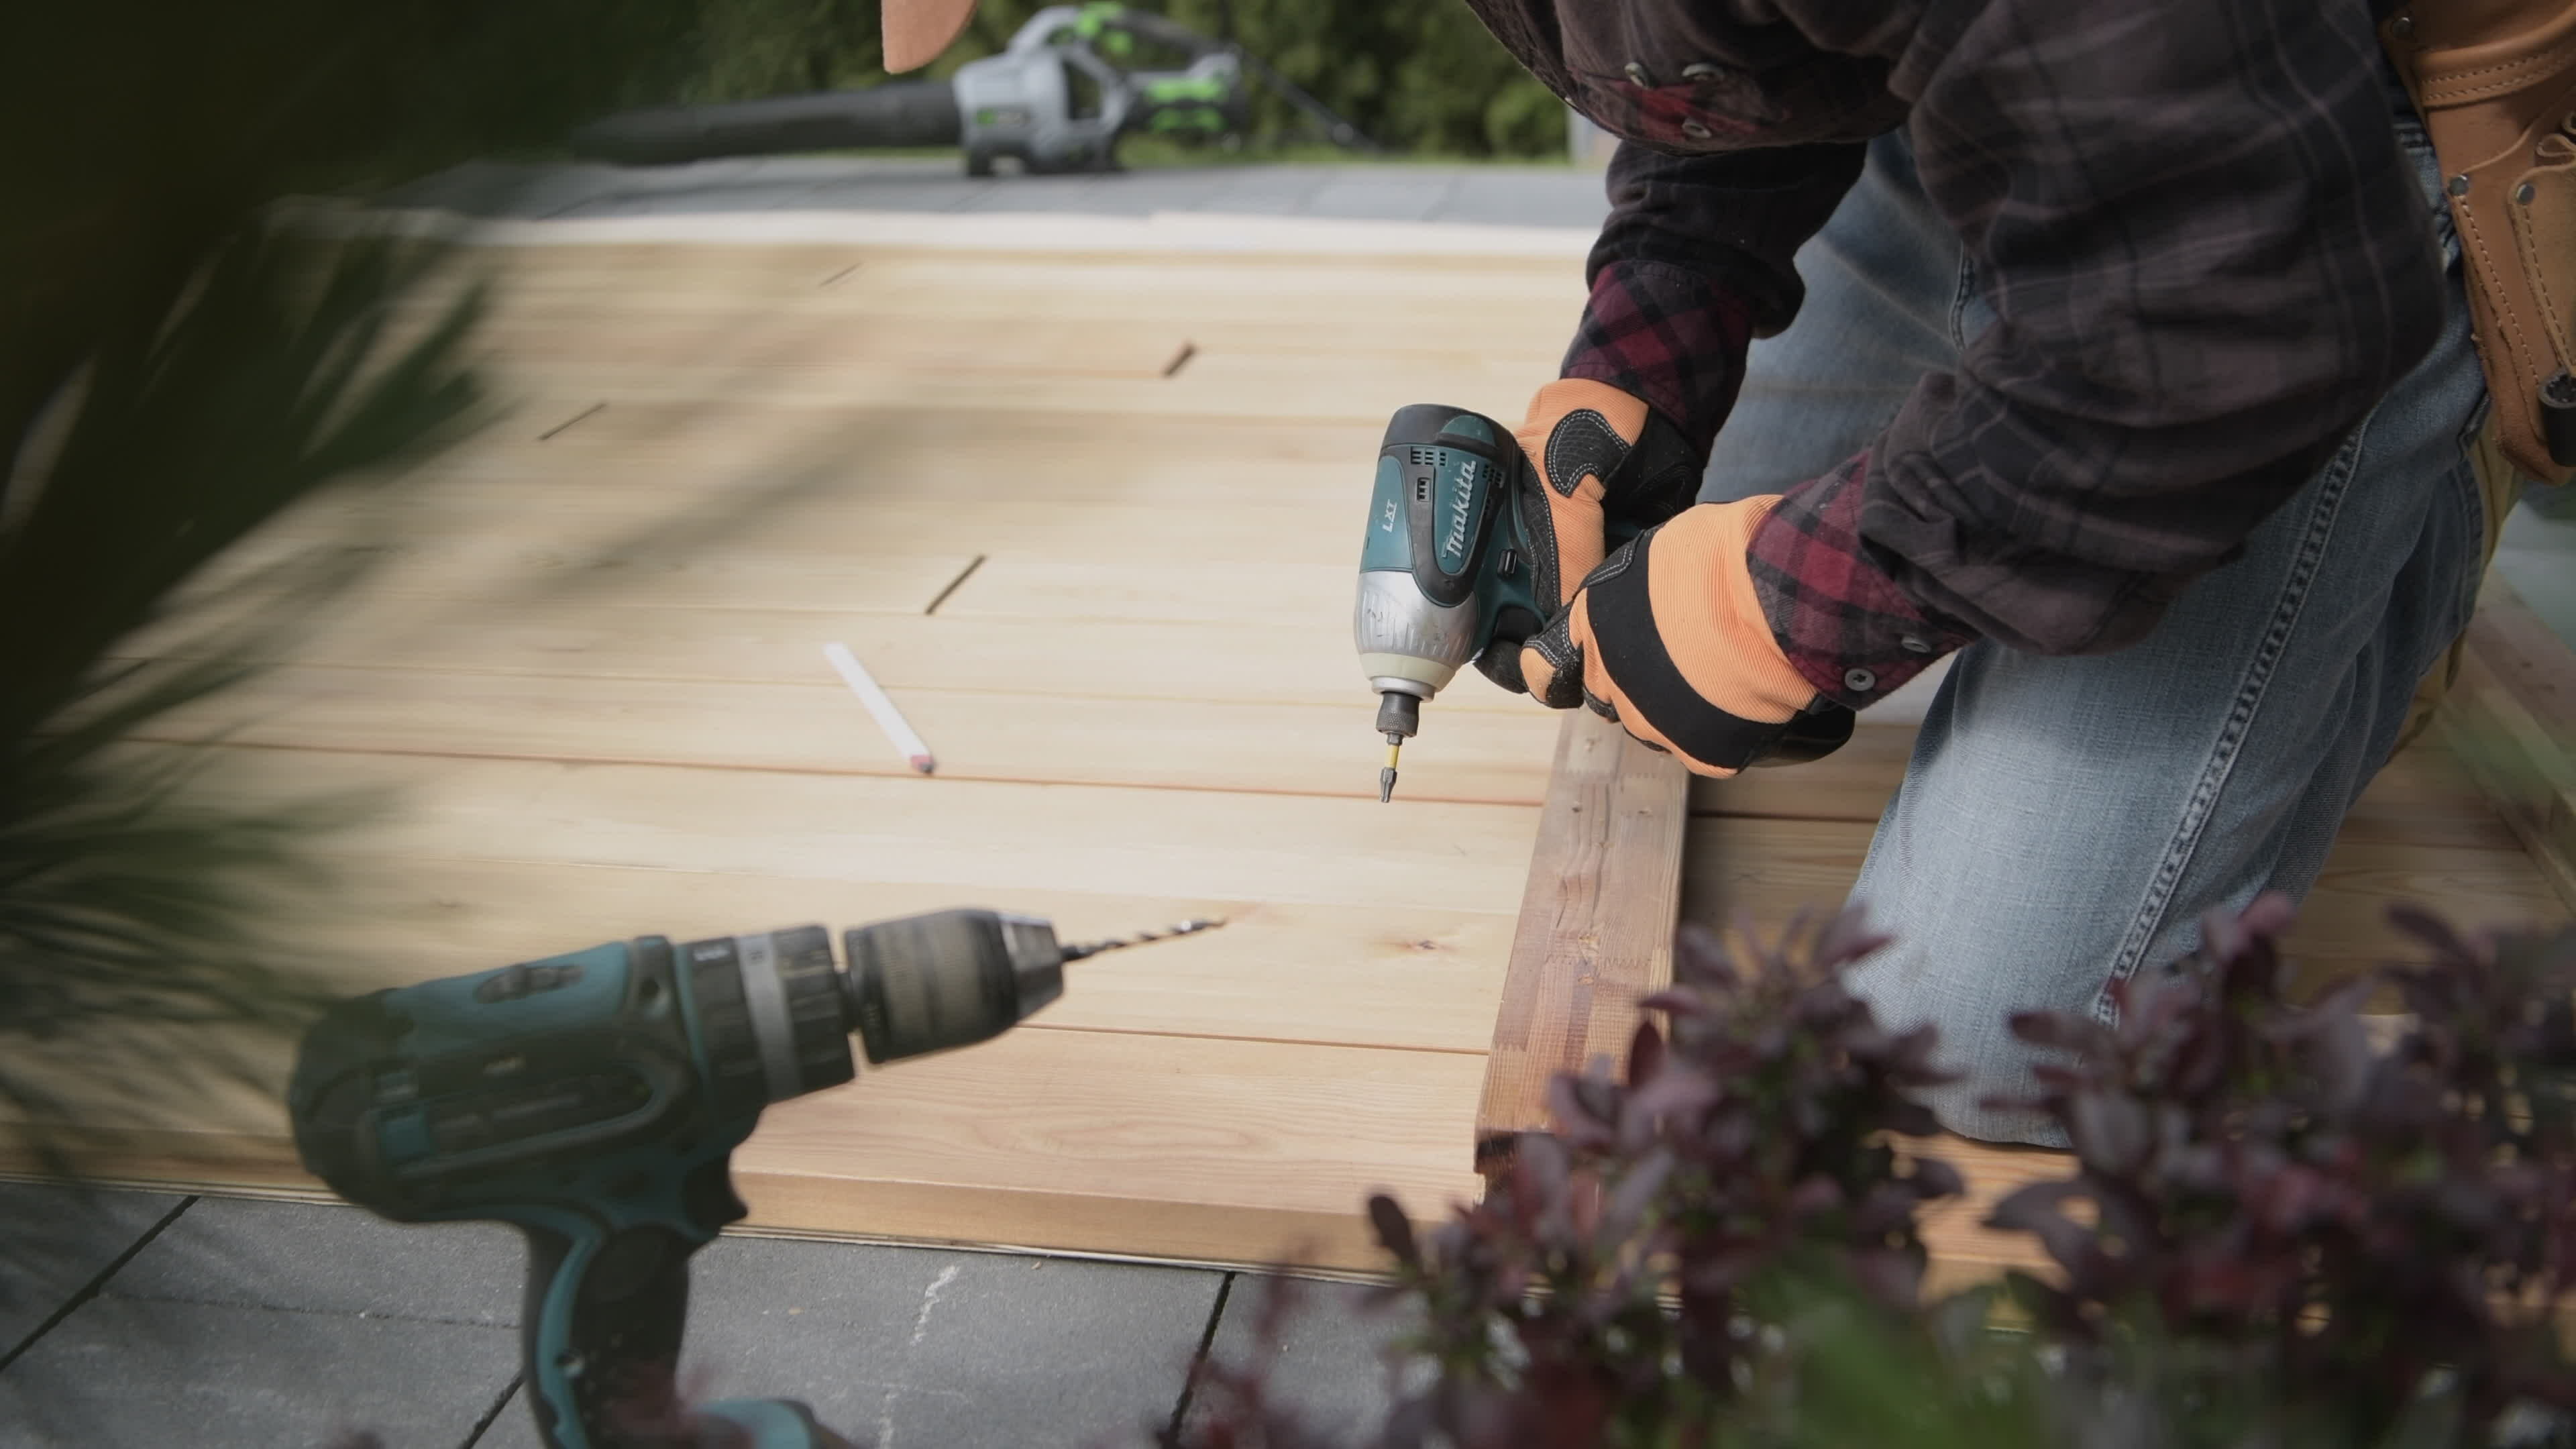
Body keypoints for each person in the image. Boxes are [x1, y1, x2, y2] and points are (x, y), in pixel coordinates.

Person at [885, 0, 2527, 1145]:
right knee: (1696, 557)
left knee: (1985, 1041)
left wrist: (1796, 610)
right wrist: (1642, 354)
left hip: (2314, 197)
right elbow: (1738, 34)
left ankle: (2429, 476)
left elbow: (2228, 299)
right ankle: (2036, 357)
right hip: (2040, 111)